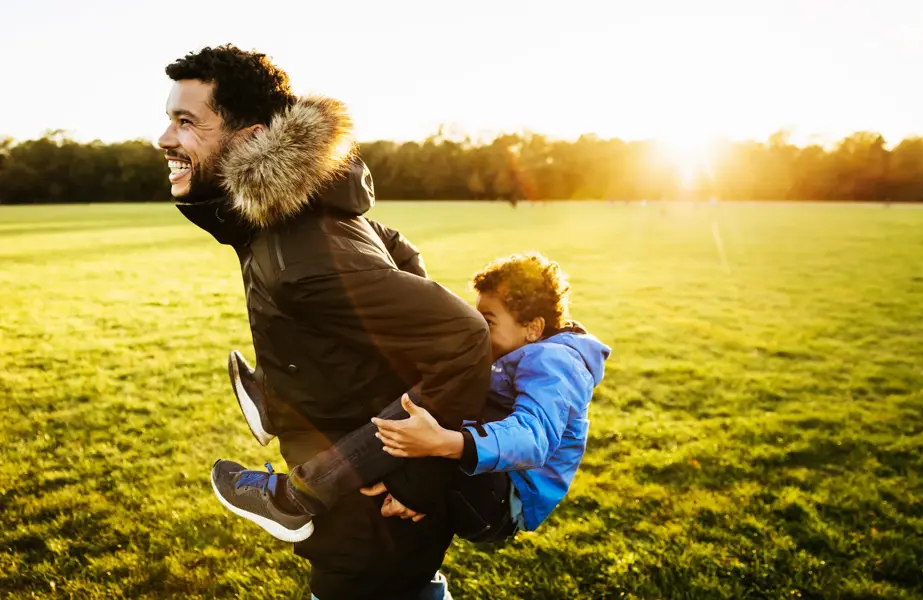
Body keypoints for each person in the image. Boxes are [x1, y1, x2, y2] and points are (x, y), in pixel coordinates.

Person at [159, 44, 493, 600]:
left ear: (249, 137)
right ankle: (278, 403)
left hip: (368, 513)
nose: (164, 139)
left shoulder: (301, 257)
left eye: (186, 122)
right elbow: (394, 247)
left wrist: (419, 476)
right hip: (362, 501)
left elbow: (465, 339)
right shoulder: (294, 212)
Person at [212, 252, 611, 546]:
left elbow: (535, 437)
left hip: (502, 504)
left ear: (533, 328)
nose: (478, 331)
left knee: (441, 390)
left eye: (487, 323)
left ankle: (293, 499)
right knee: (432, 364)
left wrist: (444, 447)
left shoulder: (558, 363)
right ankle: (280, 406)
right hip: (481, 480)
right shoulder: (524, 352)